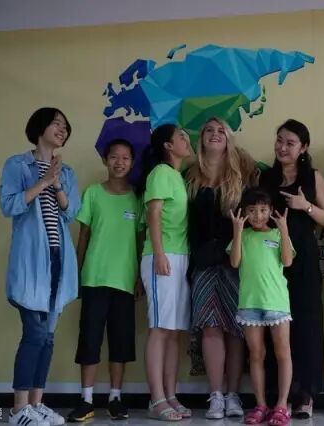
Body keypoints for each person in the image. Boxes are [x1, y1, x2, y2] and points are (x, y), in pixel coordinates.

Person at [0, 107, 80, 426]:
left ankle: (36, 404)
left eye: (65, 126)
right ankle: (18, 409)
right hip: (31, 261)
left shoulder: (67, 172)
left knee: (47, 338)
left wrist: (57, 184)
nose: (62, 129)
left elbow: (71, 213)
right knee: (34, 333)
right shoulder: (17, 165)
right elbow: (9, 205)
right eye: (56, 123)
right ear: (39, 127)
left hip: (59, 260)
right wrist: (43, 181)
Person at [259, 119, 324, 417]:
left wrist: (306, 206)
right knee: (274, 325)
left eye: (290, 143)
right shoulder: (265, 178)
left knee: (306, 325)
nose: (282, 147)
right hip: (271, 261)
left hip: (303, 259)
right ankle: (279, 396)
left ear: (303, 148)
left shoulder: (312, 177)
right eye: (279, 140)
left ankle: (305, 394)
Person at [185, 117, 258, 419]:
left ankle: (233, 395)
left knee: (235, 328)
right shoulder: (189, 175)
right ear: (201, 138)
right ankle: (215, 395)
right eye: (209, 131)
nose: (215, 135)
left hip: (235, 261)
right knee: (210, 326)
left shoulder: (243, 174)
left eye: (221, 131)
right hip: (202, 261)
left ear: (229, 139)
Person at [67, 139, 143, 422]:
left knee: (121, 342)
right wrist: (75, 273)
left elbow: (140, 241)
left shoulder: (137, 199)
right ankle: (86, 400)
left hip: (125, 280)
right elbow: (83, 237)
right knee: (90, 338)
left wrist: (139, 277)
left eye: (125, 158)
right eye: (114, 157)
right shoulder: (93, 193)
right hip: (94, 278)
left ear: (132, 163)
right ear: (105, 160)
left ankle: (115, 398)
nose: (119, 162)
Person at [138, 124, 192, 421]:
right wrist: (158, 253)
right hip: (163, 257)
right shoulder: (160, 172)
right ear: (168, 146)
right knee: (159, 329)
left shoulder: (177, 177)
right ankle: (156, 399)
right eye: (181, 136)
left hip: (180, 257)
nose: (187, 139)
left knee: (173, 332)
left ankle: (170, 395)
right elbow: (153, 212)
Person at [228, 188, 294, 426]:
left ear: (271, 211)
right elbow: (234, 262)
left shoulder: (277, 234)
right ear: (245, 212)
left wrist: (284, 230)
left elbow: (287, 261)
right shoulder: (243, 235)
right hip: (249, 304)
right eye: (252, 210)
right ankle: (261, 405)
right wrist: (237, 231)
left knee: (282, 353)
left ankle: (282, 405)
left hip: (277, 303)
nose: (258, 215)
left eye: (263, 210)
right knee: (256, 355)